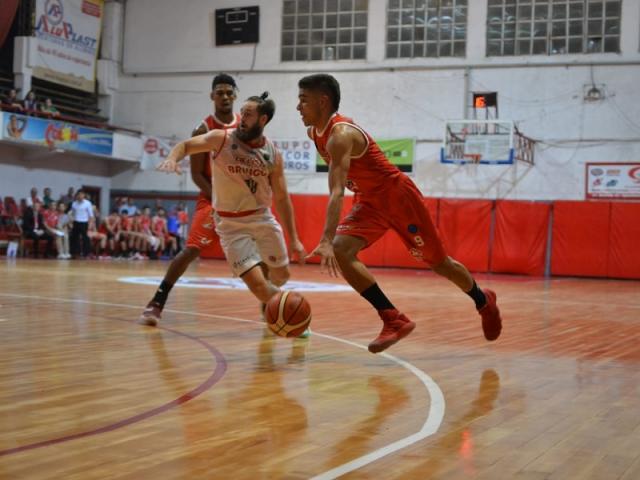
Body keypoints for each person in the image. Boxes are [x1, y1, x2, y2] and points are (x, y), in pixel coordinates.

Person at [297, 74, 502, 353]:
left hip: (397, 197)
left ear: (323, 101)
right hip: (371, 201)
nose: (298, 107)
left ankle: (482, 301)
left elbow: (336, 192)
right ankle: (393, 319)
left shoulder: (340, 136)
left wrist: (324, 238)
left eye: (303, 100)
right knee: (342, 249)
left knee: (440, 264)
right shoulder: (315, 133)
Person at [142, 91, 306, 330]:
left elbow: (282, 198)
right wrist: (173, 158)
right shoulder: (221, 138)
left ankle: (276, 306)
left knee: (281, 277)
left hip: (262, 218)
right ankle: (294, 316)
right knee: (259, 286)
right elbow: (186, 145)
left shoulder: (273, 155)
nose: (241, 119)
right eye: (242, 114)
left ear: (262, 120)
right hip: (230, 225)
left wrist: (295, 240)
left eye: (248, 115)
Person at [139, 73, 242, 321]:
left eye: (229, 92)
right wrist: (219, 199)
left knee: (259, 250)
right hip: (212, 198)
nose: (225, 97)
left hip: (241, 199)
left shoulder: (244, 126)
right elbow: (197, 174)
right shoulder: (203, 128)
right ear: (212, 96)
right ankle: (157, 301)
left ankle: (270, 309)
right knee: (191, 249)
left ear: (235, 95)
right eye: (220, 92)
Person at [69, 190, 94, 258]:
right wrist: (71, 223)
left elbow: (91, 215)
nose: (80, 196)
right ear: (77, 195)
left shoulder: (88, 203)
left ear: (84, 195)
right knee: (74, 238)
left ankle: (86, 253)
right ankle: (75, 253)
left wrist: (90, 225)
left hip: (84, 222)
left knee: (85, 238)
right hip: (76, 222)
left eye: (81, 194)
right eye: (78, 194)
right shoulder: (74, 203)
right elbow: (72, 214)